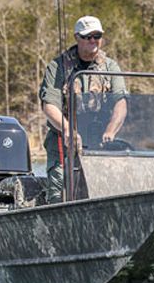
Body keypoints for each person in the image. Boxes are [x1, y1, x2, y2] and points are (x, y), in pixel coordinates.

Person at [39, 15, 128, 203]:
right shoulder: (58, 67)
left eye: (97, 36)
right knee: (59, 192)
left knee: (106, 190)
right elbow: (49, 105)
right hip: (64, 143)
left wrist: (110, 132)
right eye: (88, 37)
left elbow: (121, 103)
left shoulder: (111, 66)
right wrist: (67, 130)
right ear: (77, 37)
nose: (93, 41)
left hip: (99, 140)